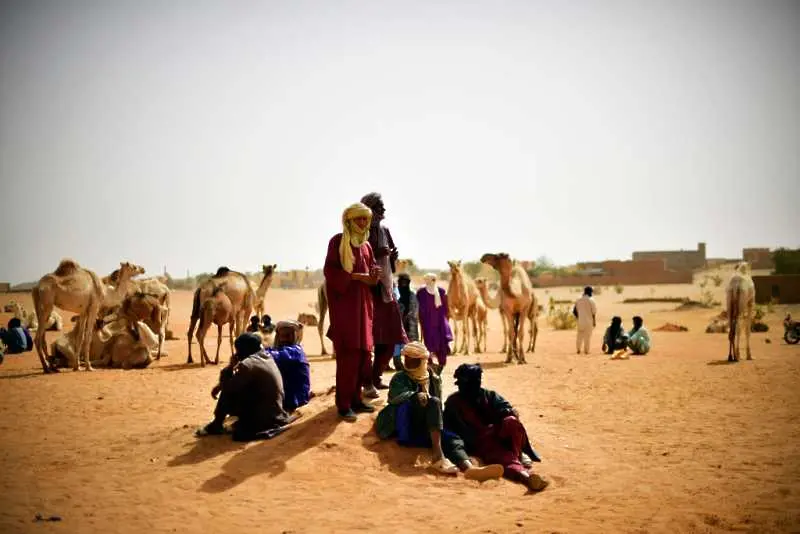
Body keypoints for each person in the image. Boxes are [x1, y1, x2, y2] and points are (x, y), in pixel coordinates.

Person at [376, 342, 504, 480]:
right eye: (406, 359)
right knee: (434, 402)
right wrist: (414, 396)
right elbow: (394, 397)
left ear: (422, 361)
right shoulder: (400, 378)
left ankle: (470, 469)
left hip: (429, 428)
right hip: (408, 426)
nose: (408, 363)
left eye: (413, 360)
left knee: (452, 439)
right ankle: (438, 456)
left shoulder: (433, 378)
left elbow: (438, 407)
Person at [443, 363, 549, 492]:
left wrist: (507, 412)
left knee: (511, 421)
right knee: (505, 459)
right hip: (478, 441)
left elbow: (505, 408)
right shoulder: (454, 402)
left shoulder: (489, 395)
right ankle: (527, 478)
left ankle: (518, 454)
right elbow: (453, 429)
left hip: (496, 434)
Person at [324, 202, 383, 421]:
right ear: (349, 221)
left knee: (363, 357)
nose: (362, 223)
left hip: (364, 308)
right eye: (358, 219)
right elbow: (330, 271)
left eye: (365, 219)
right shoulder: (338, 242)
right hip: (346, 310)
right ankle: (344, 404)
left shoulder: (366, 246)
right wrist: (357, 277)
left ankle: (357, 400)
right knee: (348, 357)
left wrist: (374, 276)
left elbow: (371, 273)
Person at [197, 333, 294, 441]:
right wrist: (220, 385)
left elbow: (229, 388)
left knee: (227, 391)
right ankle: (219, 423)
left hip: (264, 418)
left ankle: (217, 424)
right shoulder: (266, 356)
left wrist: (229, 367)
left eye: (238, 350)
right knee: (233, 387)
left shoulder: (248, 364)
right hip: (276, 412)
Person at [361, 192, 408, 390]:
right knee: (364, 341)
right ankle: (364, 380)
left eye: (382, 207)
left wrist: (392, 257)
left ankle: (376, 375)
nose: (383, 211)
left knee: (390, 337)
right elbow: (358, 260)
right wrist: (377, 253)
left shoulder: (385, 231)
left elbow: (391, 261)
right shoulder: (359, 233)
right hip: (366, 292)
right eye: (378, 207)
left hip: (386, 290)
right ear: (368, 209)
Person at [268, 320, 311, 412]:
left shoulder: (295, 352)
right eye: (282, 335)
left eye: (288, 335)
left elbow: (273, 357)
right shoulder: (276, 350)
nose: (284, 338)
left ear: (295, 336)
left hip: (294, 400)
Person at [416, 272, 453, 374]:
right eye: (429, 280)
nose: (431, 282)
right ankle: (430, 365)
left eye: (433, 280)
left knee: (442, 344)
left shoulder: (441, 291)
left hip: (440, 322)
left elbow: (446, 308)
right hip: (427, 323)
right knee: (429, 344)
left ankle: (441, 365)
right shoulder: (421, 293)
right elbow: (419, 308)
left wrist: (446, 320)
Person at [393, 273, 419, 371]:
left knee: (410, 346)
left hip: (410, 325)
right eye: (401, 282)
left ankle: (410, 364)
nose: (403, 284)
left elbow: (415, 309)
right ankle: (398, 364)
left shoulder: (412, 295)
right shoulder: (395, 294)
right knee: (396, 346)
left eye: (405, 282)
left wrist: (408, 317)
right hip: (396, 324)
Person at [573, 286, 597, 354]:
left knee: (579, 336)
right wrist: (594, 321)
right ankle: (586, 351)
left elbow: (574, 311)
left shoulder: (578, 299)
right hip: (589, 321)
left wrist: (579, 317)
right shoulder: (591, 300)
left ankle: (578, 349)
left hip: (580, 321)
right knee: (587, 337)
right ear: (589, 292)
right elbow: (594, 312)